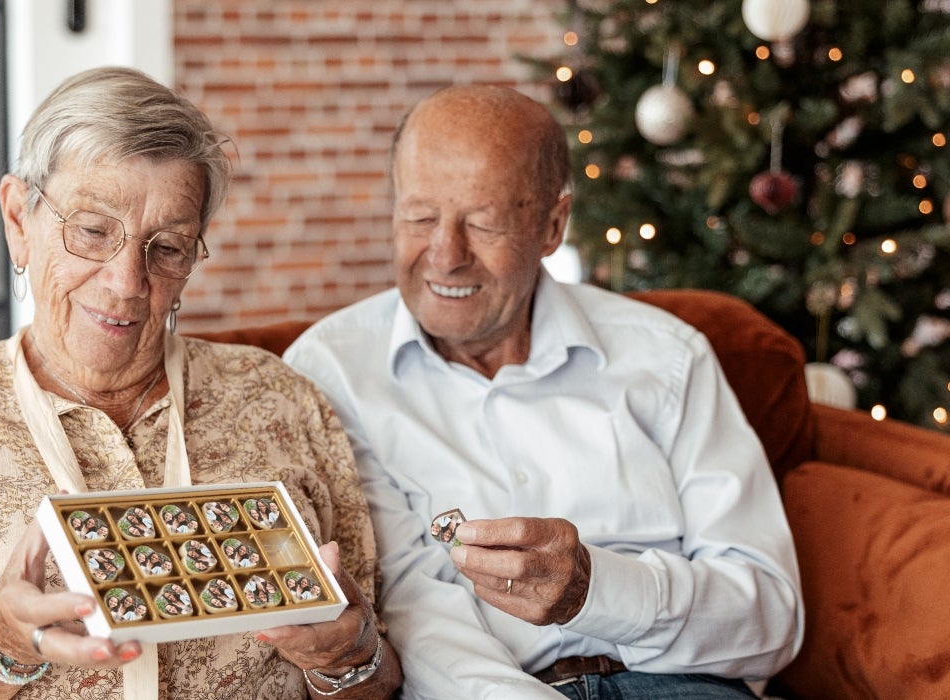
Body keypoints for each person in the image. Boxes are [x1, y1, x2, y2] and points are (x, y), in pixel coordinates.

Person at [0, 66, 400, 699]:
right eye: (91, 230)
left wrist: (348, 657)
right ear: (17, 218)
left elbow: (381, 672)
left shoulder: (279, 396)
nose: (125, 282)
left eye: (167, 247)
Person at [284, 84, 803, 699]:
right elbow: (413, 608)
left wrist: (595, 591)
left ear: (552, 226)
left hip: (677, 683)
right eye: (419, 217)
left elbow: (773, 615)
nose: (445, 256)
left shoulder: (667, 356)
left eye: (484, 223)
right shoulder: (330, 370)